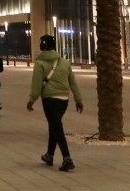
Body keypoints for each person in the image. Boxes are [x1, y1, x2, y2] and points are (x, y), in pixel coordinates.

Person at [27, 34, 83, 173]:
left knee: (57, 127)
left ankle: (67, 158)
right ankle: (49, 155)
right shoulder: (64, 62)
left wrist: (32, 100)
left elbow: (36, 84)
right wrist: (78, 99)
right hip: (64, 100)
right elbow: (73, 82)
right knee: (54, 125)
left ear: (43, 46)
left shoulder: (40, 63)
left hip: (49, 99)